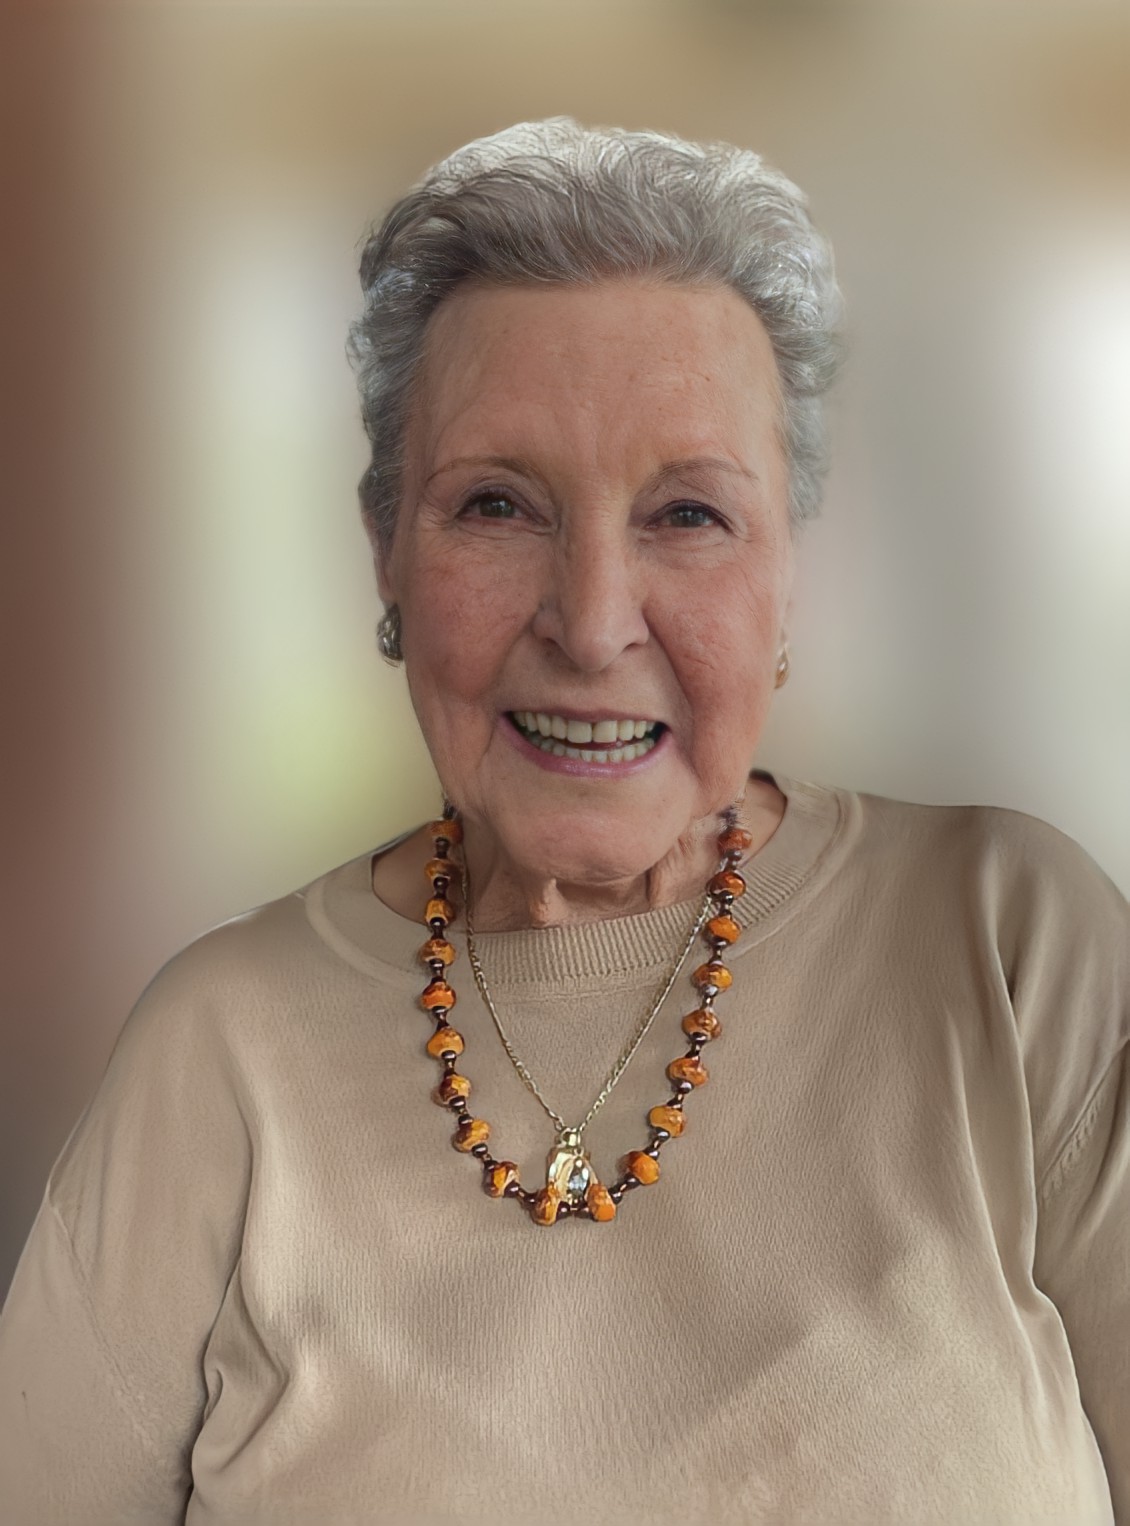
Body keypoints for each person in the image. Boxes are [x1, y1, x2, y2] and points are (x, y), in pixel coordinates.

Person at [0, 118, 1126, 1525]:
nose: (592, 626)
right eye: (496, 505)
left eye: (688, 515)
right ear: (386, 553)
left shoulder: (1011, 944)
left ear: (790, 571)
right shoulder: (219, 1049)